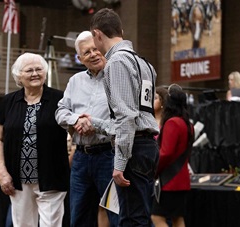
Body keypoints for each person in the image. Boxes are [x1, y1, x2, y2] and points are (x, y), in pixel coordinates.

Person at [89, 8, 159, 226]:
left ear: (97, 34)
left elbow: (127, 117)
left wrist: (119, 163)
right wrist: (96, 123)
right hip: (147, 147)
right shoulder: (145, 64)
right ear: (121, 30)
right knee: (140, 216)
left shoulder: (117, 63)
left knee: (131, 218)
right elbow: (139, 114)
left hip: (134, 149)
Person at [0, 52, 70, 226]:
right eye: (29, 70)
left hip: (52, 176)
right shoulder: (8, 101)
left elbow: (71, 132)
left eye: (39, 69)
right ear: (19, 76)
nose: (35, 73)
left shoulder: (60, 99)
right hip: (17, 179)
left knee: (51, 224)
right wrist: (2, 172)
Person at [55, 31, 118, 227]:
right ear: (80, 58)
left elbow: (124, 121)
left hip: (109, 156)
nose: (93, 54)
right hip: (81, 159)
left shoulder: (118, 79)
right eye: (86, 52)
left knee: (116, 216)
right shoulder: (75, 81)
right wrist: (78, 120)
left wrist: (94, 123)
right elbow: (60, 112)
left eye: (95, 49)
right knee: (79, 218)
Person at [151, 84, 194, 227]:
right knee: (178, 218)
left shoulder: (172, 123)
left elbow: (166, 153)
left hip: (169, 181)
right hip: (182, 179)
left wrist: (153, 170)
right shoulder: (188, 123)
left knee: (156, 217)